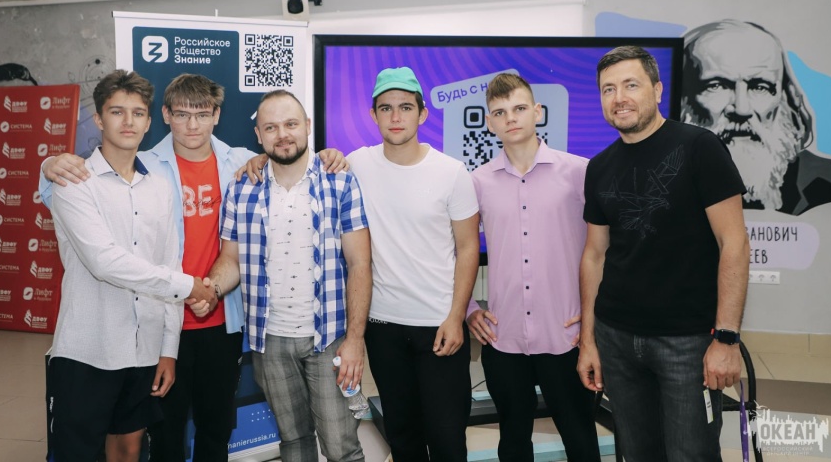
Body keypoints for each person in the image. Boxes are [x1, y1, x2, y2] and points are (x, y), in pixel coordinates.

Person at [40, 74, 348, 462]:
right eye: (182, 114)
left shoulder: (240, 161)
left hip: (220, 316)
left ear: (217, 115)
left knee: (215, 427)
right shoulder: (146, 166)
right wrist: (48, 164)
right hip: (157, 324)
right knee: (162, 433)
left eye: (202, 115)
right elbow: (65, 199)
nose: (192, 125)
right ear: (165, 116)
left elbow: (288, 154)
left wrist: (329, 155)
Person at [577, 46, 750, 461]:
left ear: (657, 90)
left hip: (688, 342)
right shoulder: (598, 167)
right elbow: (595, 255)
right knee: (637, 453)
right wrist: (588, 340)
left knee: (691, 453)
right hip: (616, 338)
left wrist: (726, 338)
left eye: (631, 85)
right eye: (608, 89)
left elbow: (735, 243)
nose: (619, 98)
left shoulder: (699, 147)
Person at [45, 70, 218, 462]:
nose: (128, 122)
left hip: (144, 350)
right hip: (88, 350)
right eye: (117, 112)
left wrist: (168, 350)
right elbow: (104, 261)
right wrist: (188, 285)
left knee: (128, 450)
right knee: (76, 455)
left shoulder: (160, 186)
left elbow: (168, 261)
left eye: (137, 113)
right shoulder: (74, 181)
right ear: (99, 119)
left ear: (149, 121)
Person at [191, 89, 372, 462]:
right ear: (258, 135)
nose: (282, 134)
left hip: (329, 338)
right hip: (269, 341)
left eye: (291, 124)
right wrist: (211, 289)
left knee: (341, 447)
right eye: (271, 127)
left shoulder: (340, 182)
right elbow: (231, 259)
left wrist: (355, 339)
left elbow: (360, 264)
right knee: (293, 441)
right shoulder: (242, 187)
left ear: (307, 126)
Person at [348, 67, 480, 462]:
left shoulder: (451, 172)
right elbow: (303, 167)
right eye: (385, 108)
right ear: (373, 115)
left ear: (422, 114)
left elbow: (468, 248)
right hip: (383, 328)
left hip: (439, 326)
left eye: (405, 107)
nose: (395, 117)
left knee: (447, 441)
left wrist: (456, 317)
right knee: (403, 440)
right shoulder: (356, 164)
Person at [465, 73, 600, 462]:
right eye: (500, 112)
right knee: (512, 442)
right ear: (489, 122)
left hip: (566, 337)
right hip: (503, 337)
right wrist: (470, 309)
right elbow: (458, 250)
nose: (511, 118)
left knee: (581, 440)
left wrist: (593, 320)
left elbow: (604, 251)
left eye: (519, 108)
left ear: (537, 112)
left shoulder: (579, 173)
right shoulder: (478, 182)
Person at [682, 19, 831, 215]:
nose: (742, 109)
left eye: (760, 87)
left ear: (786, 98)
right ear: (682, 99)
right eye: (716, 85)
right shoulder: (654, 183)